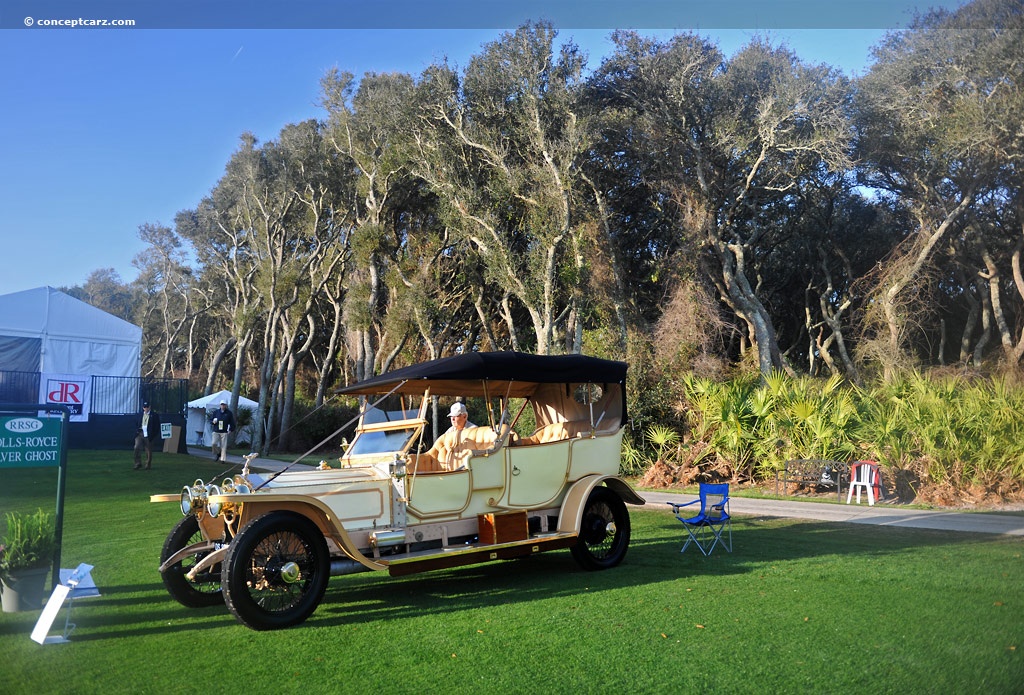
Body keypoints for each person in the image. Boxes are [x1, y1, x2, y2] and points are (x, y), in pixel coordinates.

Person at [415, 402, 478, 472]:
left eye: (456, 416)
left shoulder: (473, 430)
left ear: (465, 416)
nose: (452, 419)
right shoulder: (450, 431)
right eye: (451, 416)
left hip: (469, 469)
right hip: (452, 469)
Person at [133, 401, 162, 470]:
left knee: (148, 449)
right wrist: (137, 431)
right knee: (136, 447)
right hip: (140, 433)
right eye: (144, 407)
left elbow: (157, 426)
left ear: (150, 407)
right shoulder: (140, 415)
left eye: (147, 407)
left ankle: (148, 464)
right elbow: (136, 423)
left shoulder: (154, 415)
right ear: (143, 408)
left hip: (149, 434)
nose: (146, 408)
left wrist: (153, 435)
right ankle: (137, 463)